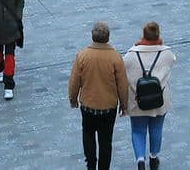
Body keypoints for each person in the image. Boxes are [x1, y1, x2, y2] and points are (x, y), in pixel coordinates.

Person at [67, 21, 129, 170]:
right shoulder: (115, 58)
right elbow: (122, 84)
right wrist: (124, 104)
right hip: (108, 107)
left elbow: (74, 81)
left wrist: (73, 99)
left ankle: (91, 164)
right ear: (108, 38)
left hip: (88, 106)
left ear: (92, 36)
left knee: (88, 135)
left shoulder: (82, 56)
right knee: (106, 141)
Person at [124, 21, 176, 170]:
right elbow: (173, 60)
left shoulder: (132, 54)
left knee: (138, 130)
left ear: (143, 35)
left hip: (137, 100)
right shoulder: (166, 53)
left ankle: (140, 160)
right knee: (156, 129)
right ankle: (154, 157)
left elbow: (123, 68)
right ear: (158, 34)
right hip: (160, 100)